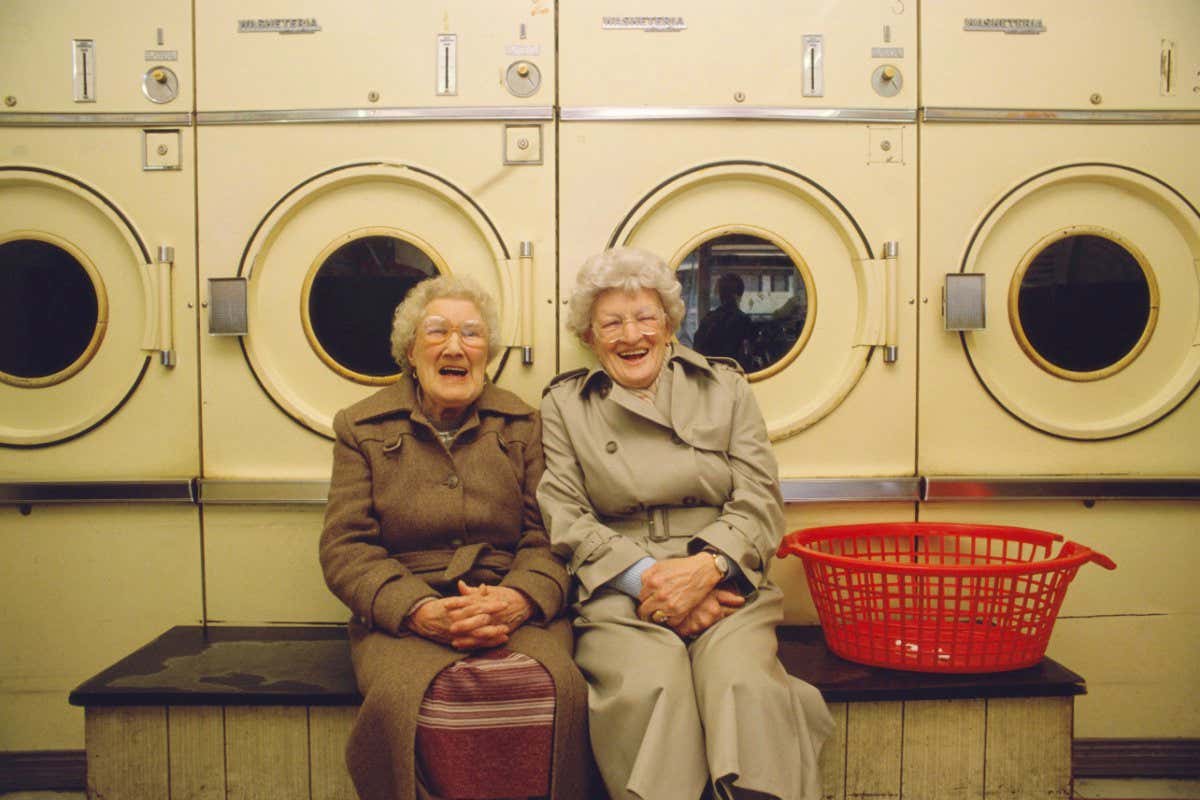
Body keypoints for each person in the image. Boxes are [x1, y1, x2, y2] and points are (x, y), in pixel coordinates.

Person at [537, 247, 834, 800]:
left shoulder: (724, 389)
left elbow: (760, 497)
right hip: (622, 585)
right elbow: (566, 512)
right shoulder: (565, 405)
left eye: (646, 317)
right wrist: (649, 578)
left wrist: (709, 569)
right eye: (612, 323)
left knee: (742, 684)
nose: (632, 334)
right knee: (653, 684)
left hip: (726, 581)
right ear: (589, 336)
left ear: (670, 324)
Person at [320, 275, 591, 800]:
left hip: (511, 602)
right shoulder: (361, 427)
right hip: (403, 613)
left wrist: (516, 599)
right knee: (412, 698)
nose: (454, 346)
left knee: (552, 686)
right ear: (410, 351)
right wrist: (418, 610)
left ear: (487, 352)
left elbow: (551, 535)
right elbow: (345, 547)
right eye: (437, 331)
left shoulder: (523, 424)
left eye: (471, 334)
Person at [692, 272, 754, 370]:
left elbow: (697, 349)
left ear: (720, 295)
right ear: (738, 295)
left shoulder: (708, 319)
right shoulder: (744, 320)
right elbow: (748, 356)